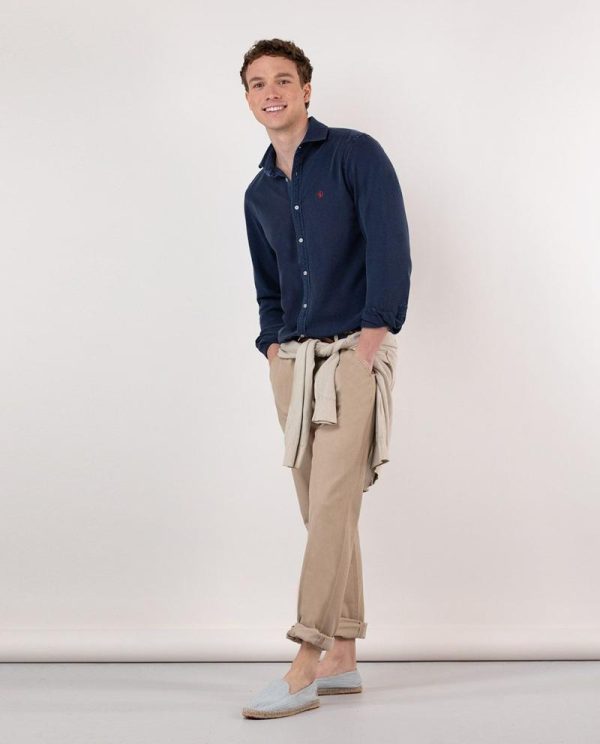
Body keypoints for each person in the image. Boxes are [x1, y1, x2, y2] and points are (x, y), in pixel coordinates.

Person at [239, 38, 411, 719]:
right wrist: (272, 347)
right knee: (322, 512)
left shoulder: (355, 155)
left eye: (283, 80)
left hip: (350, 358)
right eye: (258, 83)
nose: (271, 92)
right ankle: (344, 655)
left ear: (306, 90)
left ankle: (304, 660)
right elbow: (267, 284)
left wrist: (370, 342)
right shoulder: (258, 192)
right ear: (248, 98)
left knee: (334, 505)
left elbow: (391, 248)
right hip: (293, 365)